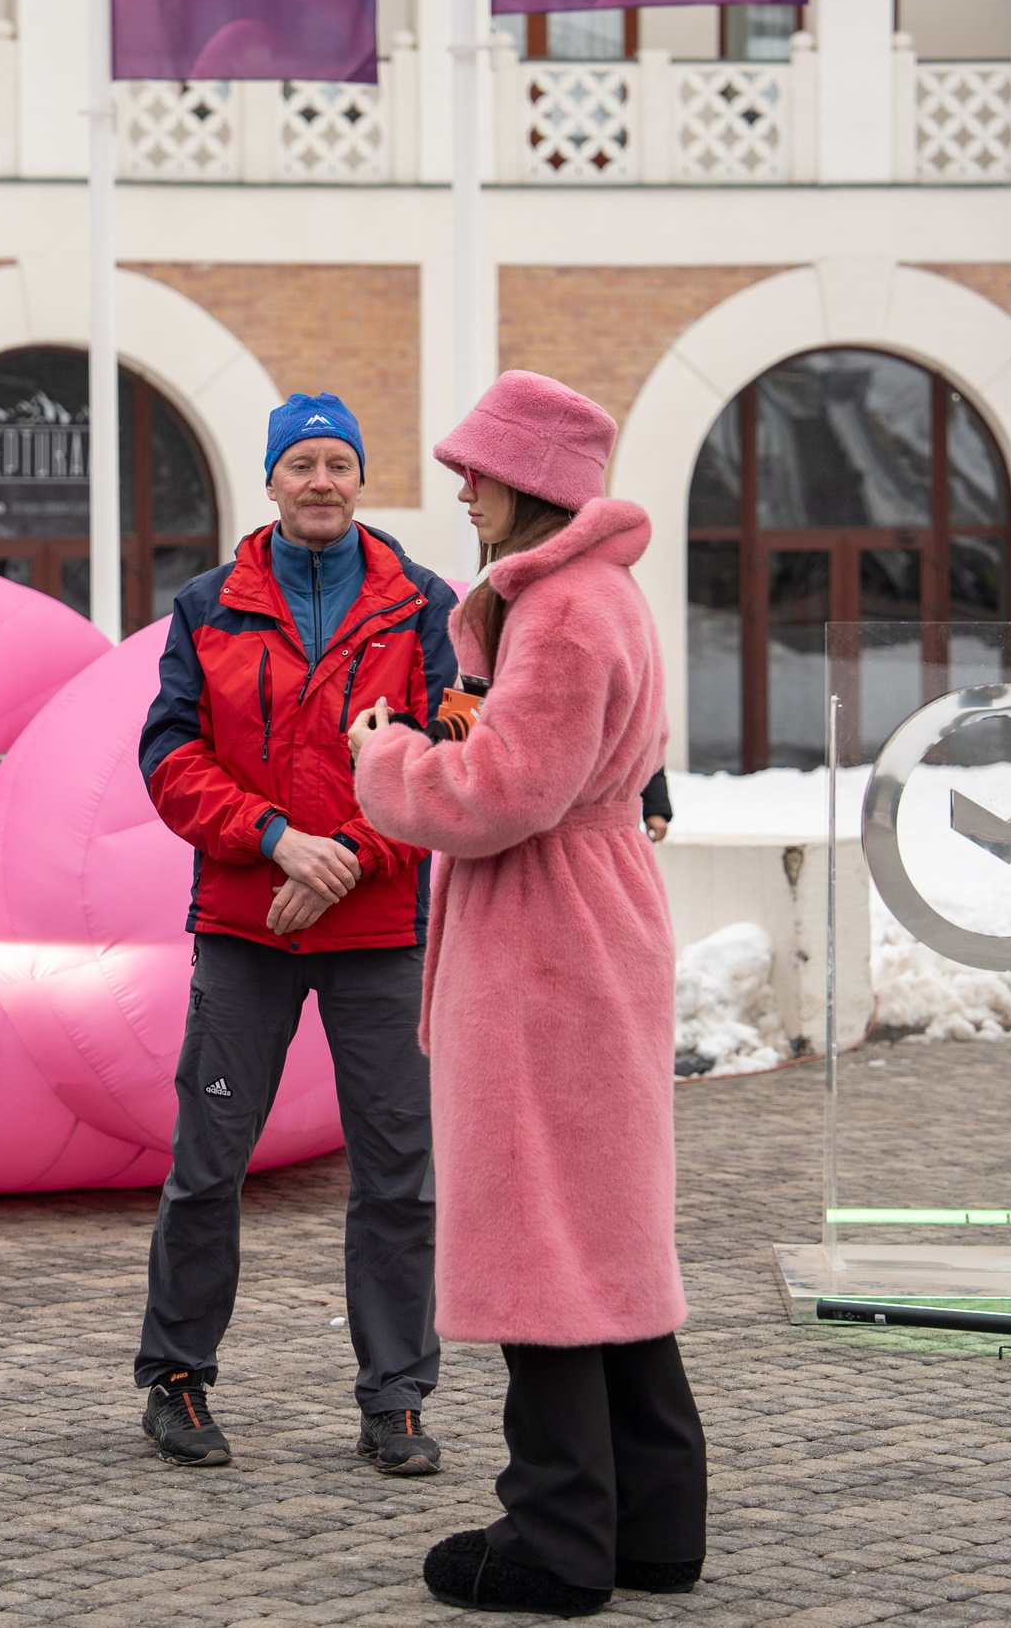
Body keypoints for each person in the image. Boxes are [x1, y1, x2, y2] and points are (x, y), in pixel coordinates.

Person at [347, 371, 706, 1615]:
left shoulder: (559, 606)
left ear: (532, 481)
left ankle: (554, 1533)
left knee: (540, 1228)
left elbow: (501, 792)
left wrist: (384, 755)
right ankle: (653, 1516)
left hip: (548, 937)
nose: (459, 487)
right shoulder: (604, 595)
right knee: (603, 1227)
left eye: (477, 468)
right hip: (591, 920)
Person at [132, 392, 459, 1474]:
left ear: (361, 479)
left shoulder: (423, 606)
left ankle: (396, 1396)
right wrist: (275, 840)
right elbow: (170, 756)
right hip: (246, 920)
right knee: (204, 1166)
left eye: (339, 463)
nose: (321, 480)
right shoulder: (205, 605)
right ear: (269, 480)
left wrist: (351, 859)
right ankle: (176, 1380)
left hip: (377, 928)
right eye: (301, 464)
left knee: (398, 1173)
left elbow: (450, 761)